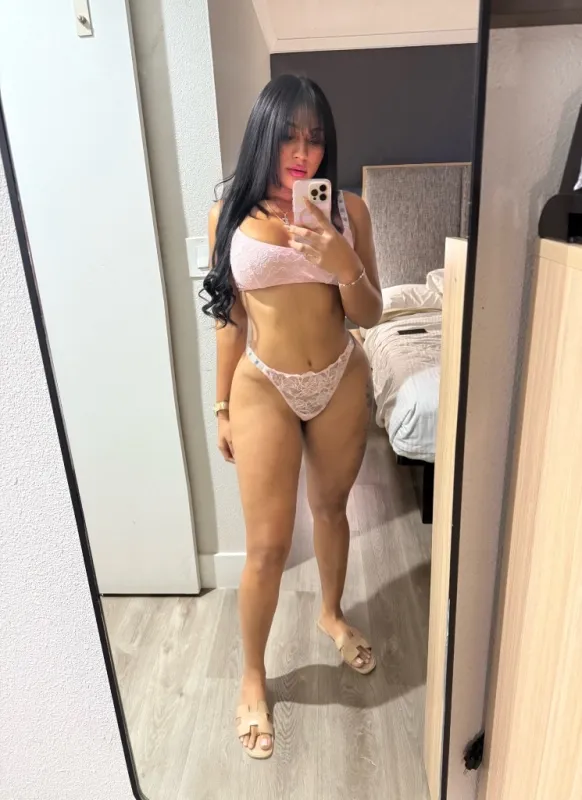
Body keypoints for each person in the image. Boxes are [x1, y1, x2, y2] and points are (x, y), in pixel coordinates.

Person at [202, 74, 382, 760]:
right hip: (264, 387)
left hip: (339, 376)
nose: (303, 152)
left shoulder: (349, 212)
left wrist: (342, 262)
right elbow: (228, 319)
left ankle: (331, 614)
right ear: (264, 135)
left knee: (332, 509)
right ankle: (252, 675)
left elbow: (370, 314)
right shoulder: (228, 215)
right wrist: (221, 403)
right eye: (288, 135)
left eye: (315, 138)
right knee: (268, 546)